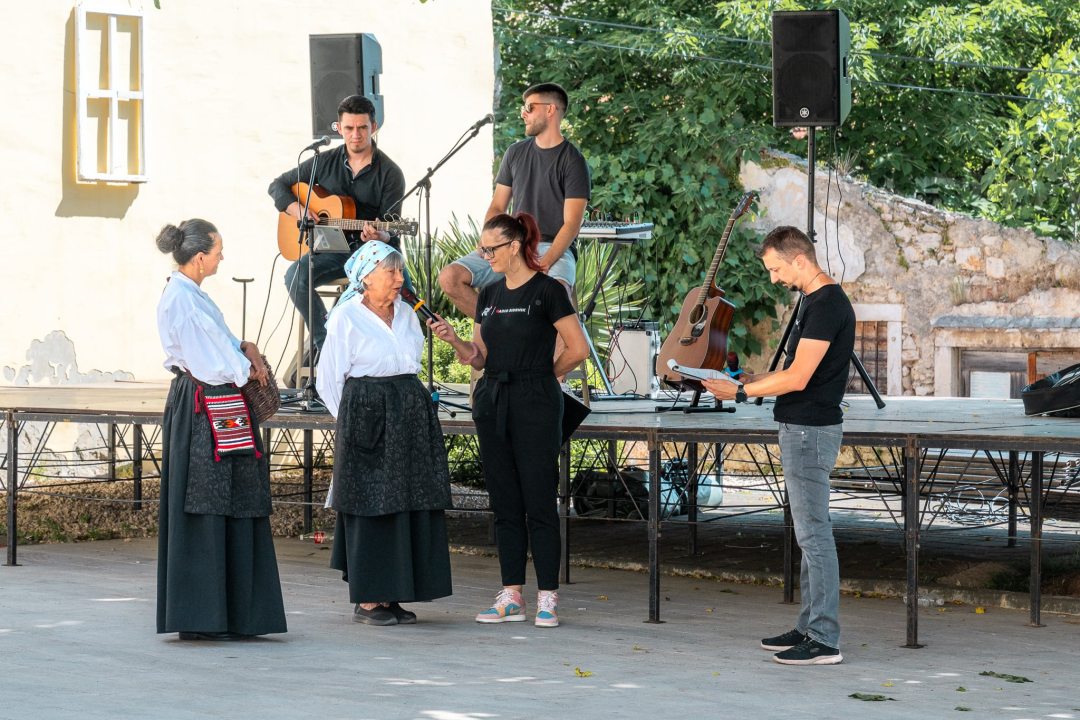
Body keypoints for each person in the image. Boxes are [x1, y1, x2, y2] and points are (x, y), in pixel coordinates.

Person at [702, 225, 856, 666]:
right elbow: (793, 371)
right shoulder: (812, 300)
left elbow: (801, 377)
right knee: (808, 536)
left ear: (799, 261)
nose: (773, 278)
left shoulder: (827, 304)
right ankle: (809, 627)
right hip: (799, 426)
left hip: (810, 431)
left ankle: (825, 640)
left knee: (815, 536)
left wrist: (743, 394)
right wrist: (752, 380)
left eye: (775, 269)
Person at [429, 213, 590, 628]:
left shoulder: (548, 290)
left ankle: (548, 597)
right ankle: (512, 595)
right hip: (492, 399)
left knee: (539, 500)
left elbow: (578, 348)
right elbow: (478, 356)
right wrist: (456, 340)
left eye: (491, 249)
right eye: (483, 249)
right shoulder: (490, 294)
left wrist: (543, 375)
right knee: (504, 502)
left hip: (536, 400)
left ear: (515, 245)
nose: (485, 256)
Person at [154, 219, 287, 641]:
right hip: (204, 406)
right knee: (206, 501)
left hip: (218, 403)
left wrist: (243, 348)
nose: (221, 257)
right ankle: (203, 615)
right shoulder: (182, 300)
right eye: (218, 251)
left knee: (236, 497)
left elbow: (222, 345)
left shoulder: (192, 295)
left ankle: (234, 612)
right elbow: (212, 361)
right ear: (199, 258)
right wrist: (248, 365)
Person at [316, 241, 453, 626]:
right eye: (390, 272)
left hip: (409, 413)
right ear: (366, 278)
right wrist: (353, 426)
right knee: (371, 502)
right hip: (367, 415)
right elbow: (329, 381)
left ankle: (394, 593)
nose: (399, 279)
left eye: (399, 271)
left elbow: (408, 364)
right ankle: (369, 599)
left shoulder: (408, 314)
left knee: (407, 500)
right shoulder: (346, 318)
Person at [439, 82, 590, 322]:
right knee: (450, 277)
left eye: (529, 107)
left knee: (557, 294)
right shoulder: (515, 152)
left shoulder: (573, 161)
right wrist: (486, 242)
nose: (523, 113)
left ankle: (546, 357)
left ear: (550, 110)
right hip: (510, 245)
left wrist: (545, 263)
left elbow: (572, 223)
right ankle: (499, 329)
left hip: (552, 248)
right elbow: (498, 207)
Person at [269, 94, 408, 354]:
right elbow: (277, 185)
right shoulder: (324, 161)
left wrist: (380, 236)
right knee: (295, 276)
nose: (355, 135)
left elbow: (393, 232)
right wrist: (299, 211)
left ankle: (390, 355)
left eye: (362, 128)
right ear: (339, 128)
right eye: (349, 128)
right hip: (330, 249)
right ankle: (328, 346)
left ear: (373, 127)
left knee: (398, 288)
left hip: (369, 253)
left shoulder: (390, 173)